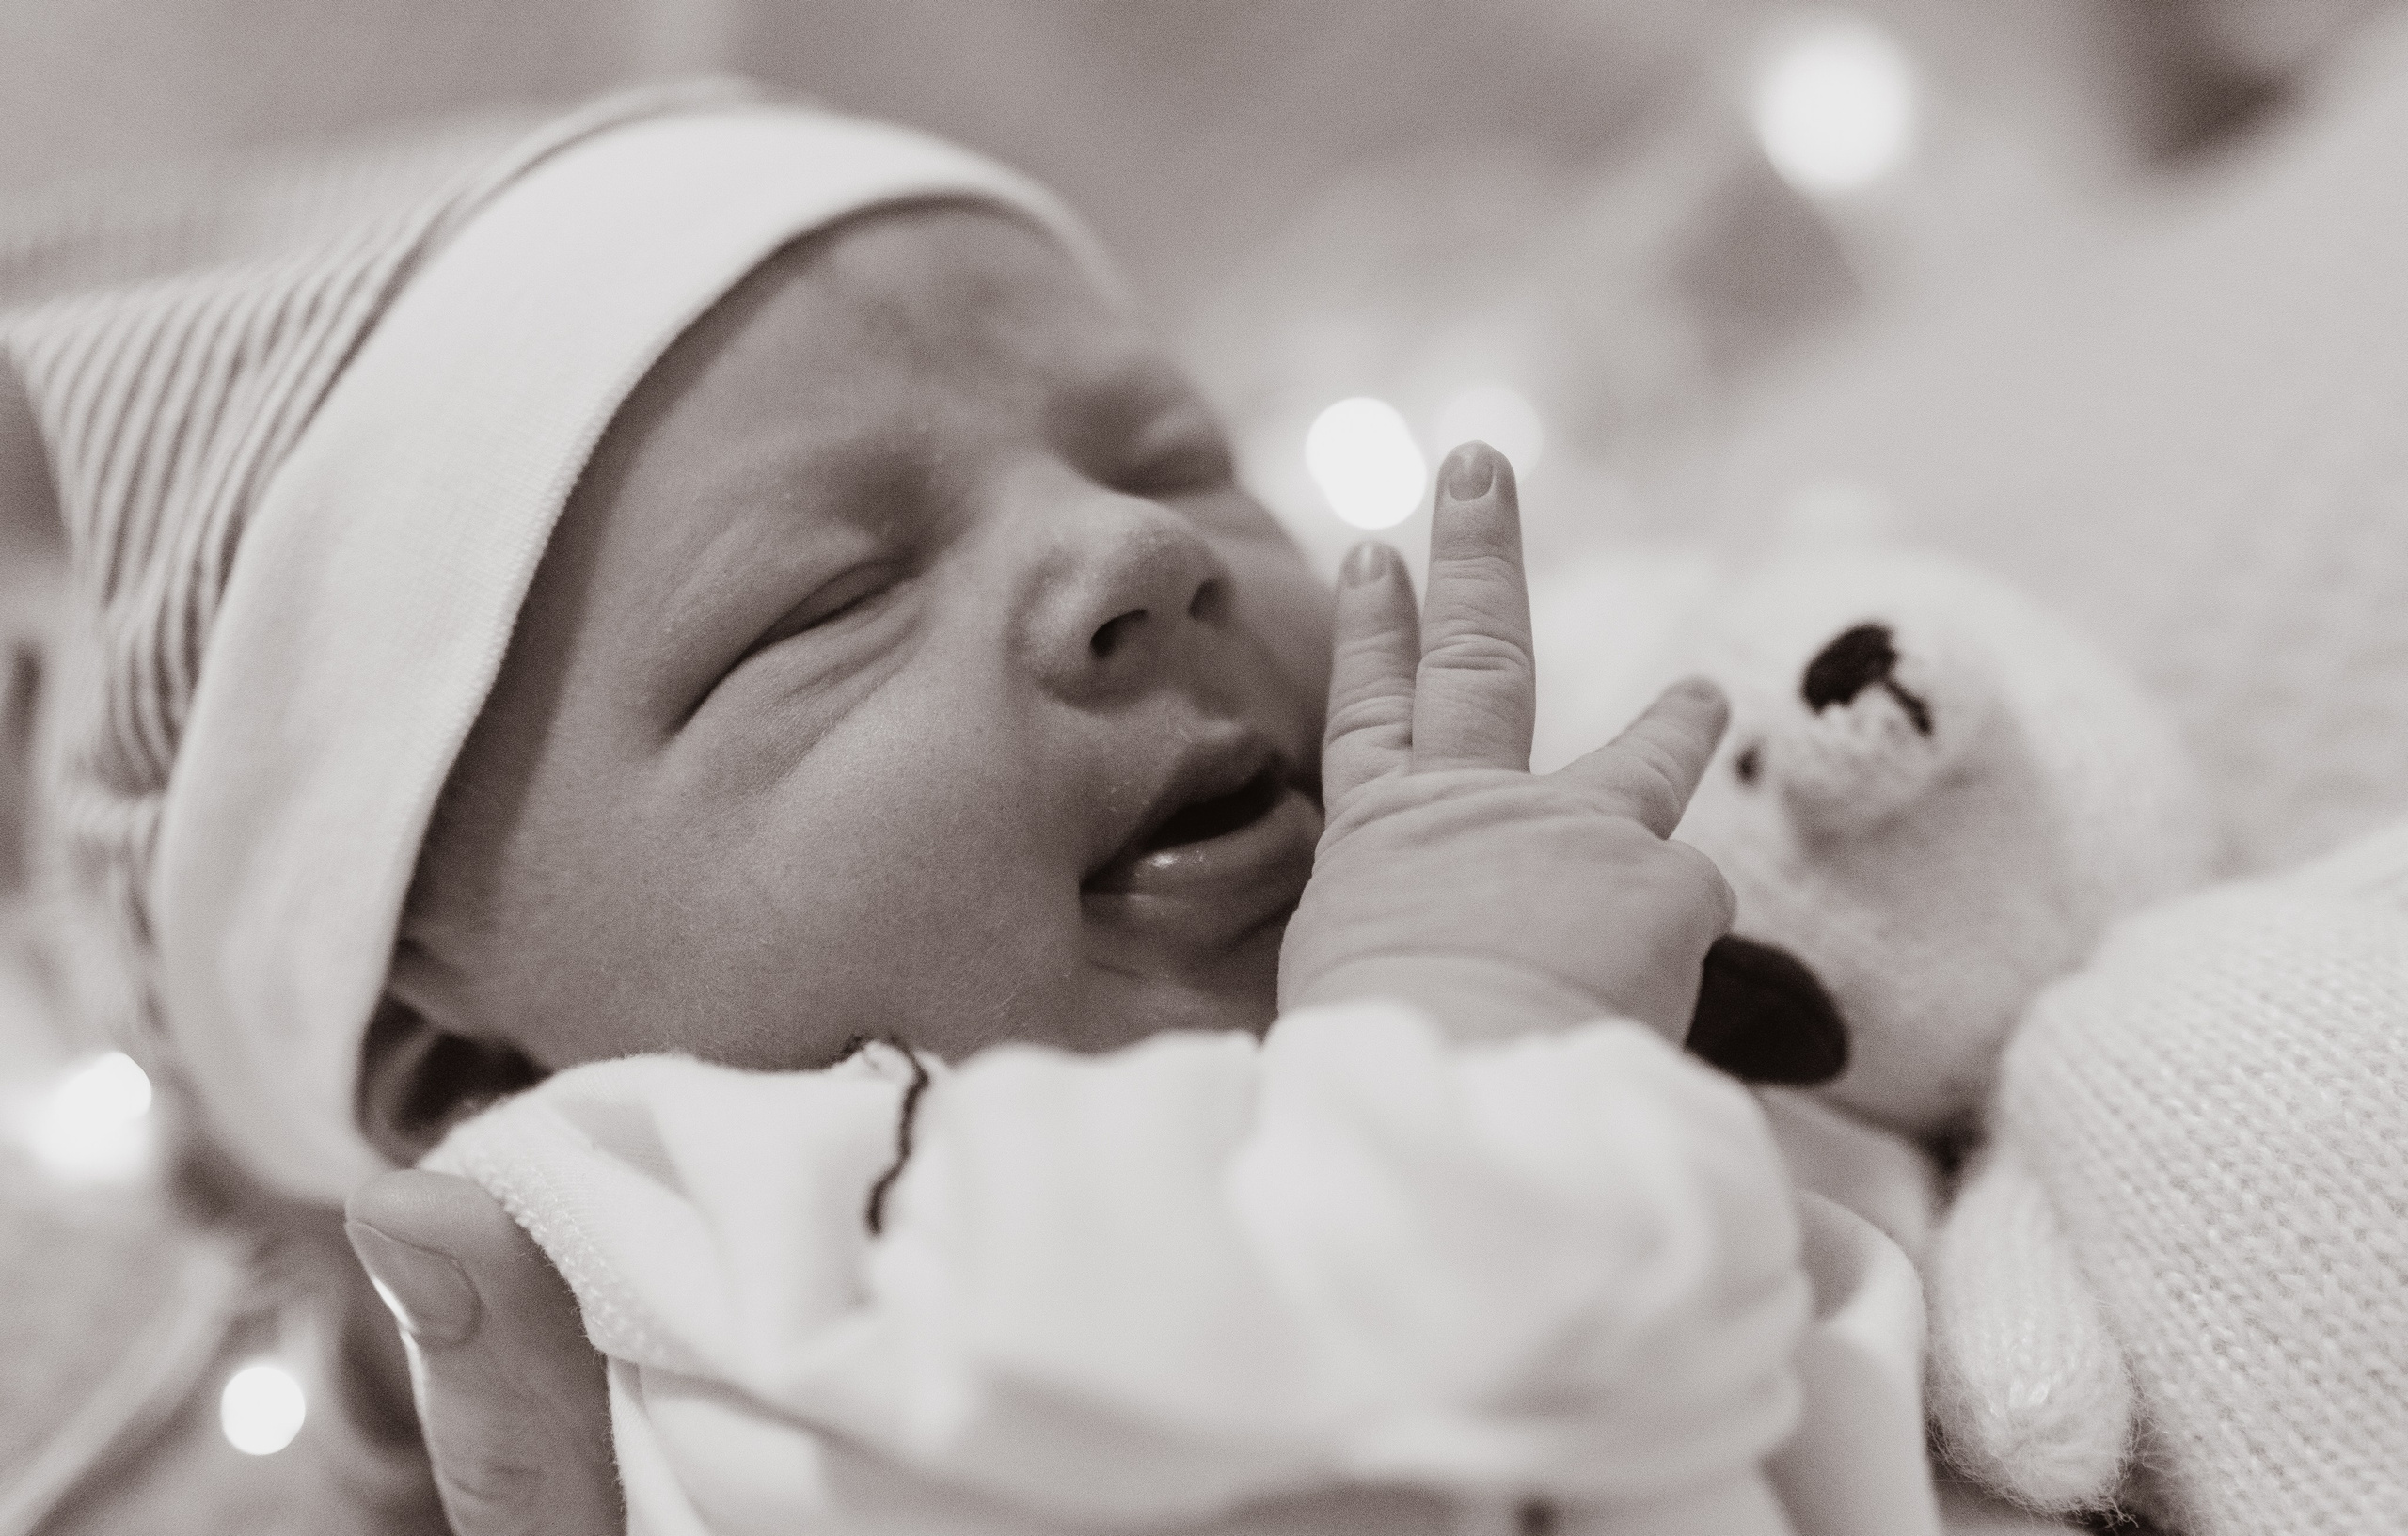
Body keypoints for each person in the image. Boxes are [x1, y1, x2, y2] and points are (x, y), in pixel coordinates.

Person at [8, 82, 1751, 1531]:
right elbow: (1347, 1413)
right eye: (827, 601)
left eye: (1167, 456)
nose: (1131, 547)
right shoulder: (755, 1249)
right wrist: (1460, 1020)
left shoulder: (1519, 849)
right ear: (461, 1069)